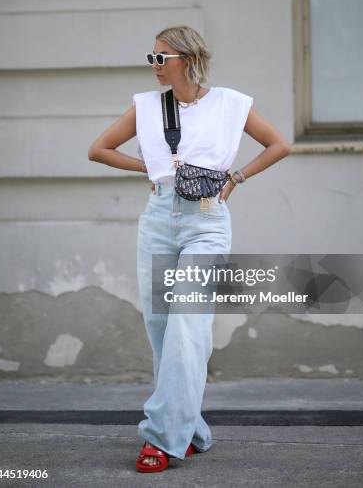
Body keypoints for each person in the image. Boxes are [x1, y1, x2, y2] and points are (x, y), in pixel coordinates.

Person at [88, 25, 291, 473]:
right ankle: (192, 428)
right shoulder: (145, 106)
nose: (155, 66)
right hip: (158, 220)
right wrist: (153, 167)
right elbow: (98, 150)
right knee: (162, 332)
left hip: (206, 222)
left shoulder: (230, 103)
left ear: (187, 58)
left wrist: (236, 178)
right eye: (152, 58)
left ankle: (160, 439)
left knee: (187, 327)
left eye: (162, 58)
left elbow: (280, 145)